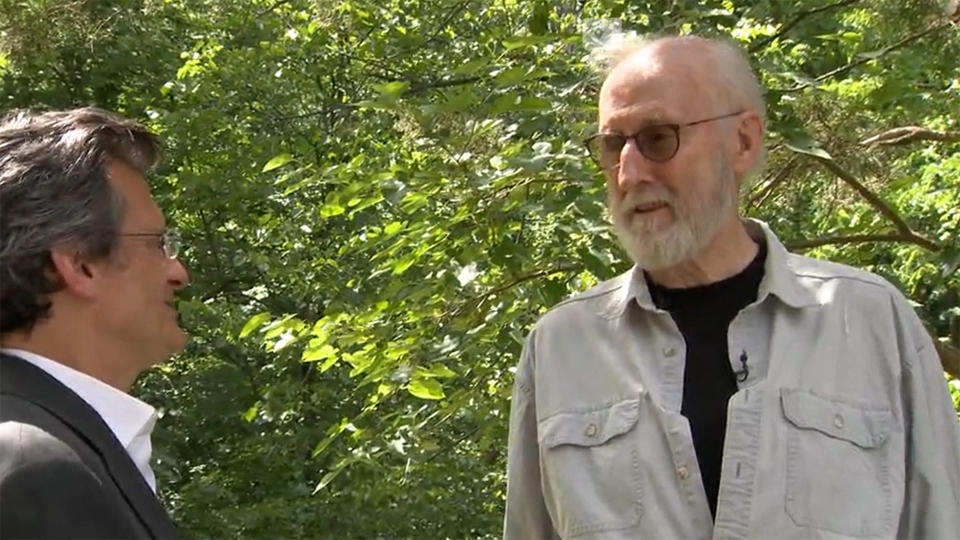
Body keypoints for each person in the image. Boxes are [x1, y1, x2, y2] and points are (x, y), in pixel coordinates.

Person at [503, 35, 960, 539]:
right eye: (614, 144)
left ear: (743, 142)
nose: (629, 173)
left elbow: (940, 522)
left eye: (659, 138)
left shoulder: (869, 321)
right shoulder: (562, 347)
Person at [0, 107, 188, 538]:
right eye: (156, 244)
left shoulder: (57, 445)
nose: (179, 272)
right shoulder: (35, 471)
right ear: (79, 263)